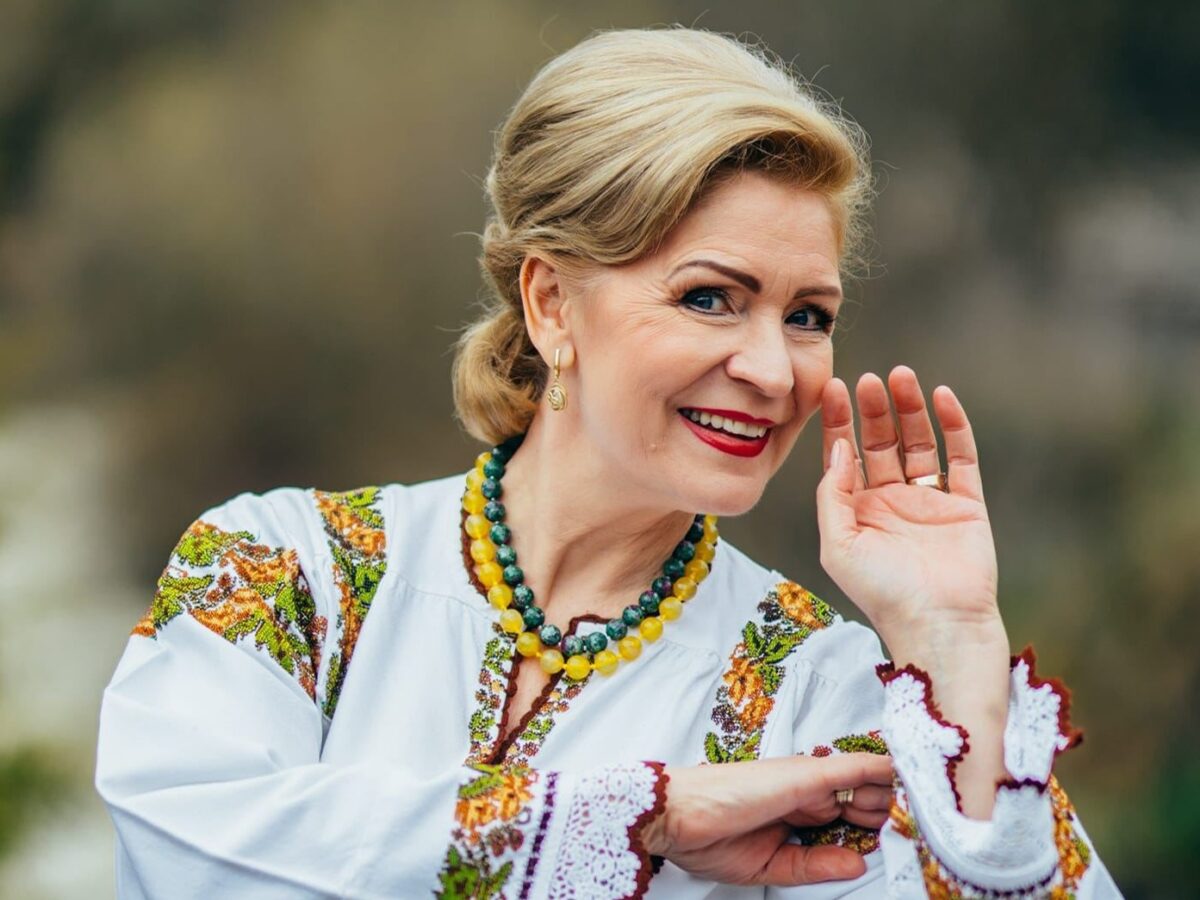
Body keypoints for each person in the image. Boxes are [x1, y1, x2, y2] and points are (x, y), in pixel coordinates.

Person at [95, 26, 1123, 899]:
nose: (773, 370)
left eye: (807, 316)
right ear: (551, 303)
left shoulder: (820, 695)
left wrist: (952, 642)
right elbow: (189, 844)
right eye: (709, 298)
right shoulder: (285, 568)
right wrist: (646, 817)